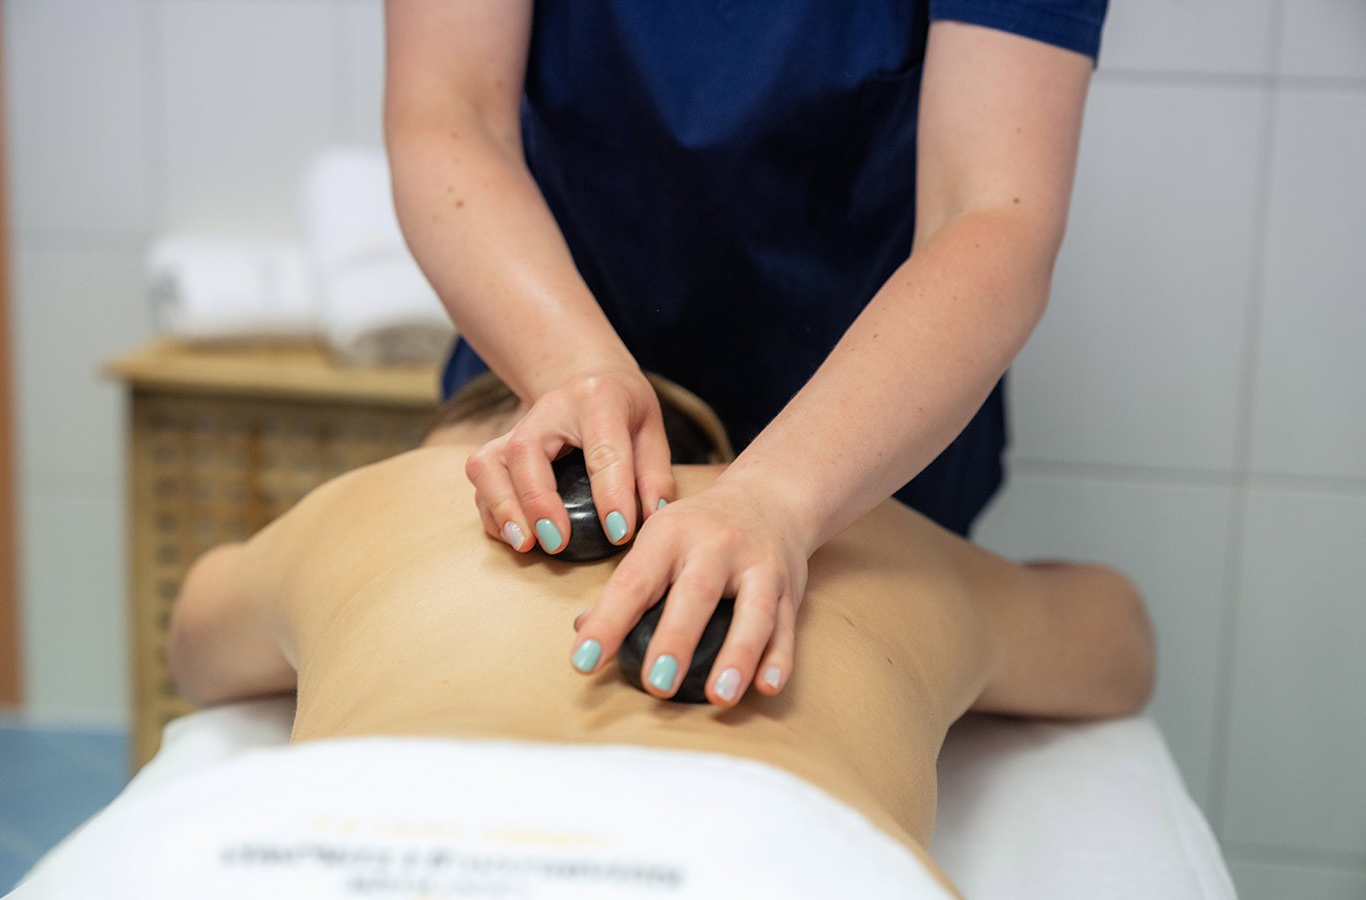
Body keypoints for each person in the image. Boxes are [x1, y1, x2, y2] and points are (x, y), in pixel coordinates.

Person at [134, 373, 1152, 900]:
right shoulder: (872, 542)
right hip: (773, 871)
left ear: (468, 458)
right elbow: (1117, 640)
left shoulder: (380, 502)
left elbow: (196, 645)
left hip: (351, 849)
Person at [385, 0, 1110, 705]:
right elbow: (449, 115)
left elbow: (990, 210)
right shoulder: (920, 611)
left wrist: (779, 496)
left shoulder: (382, 543)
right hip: (549, 356)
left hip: (870, 419)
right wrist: (572, 368)